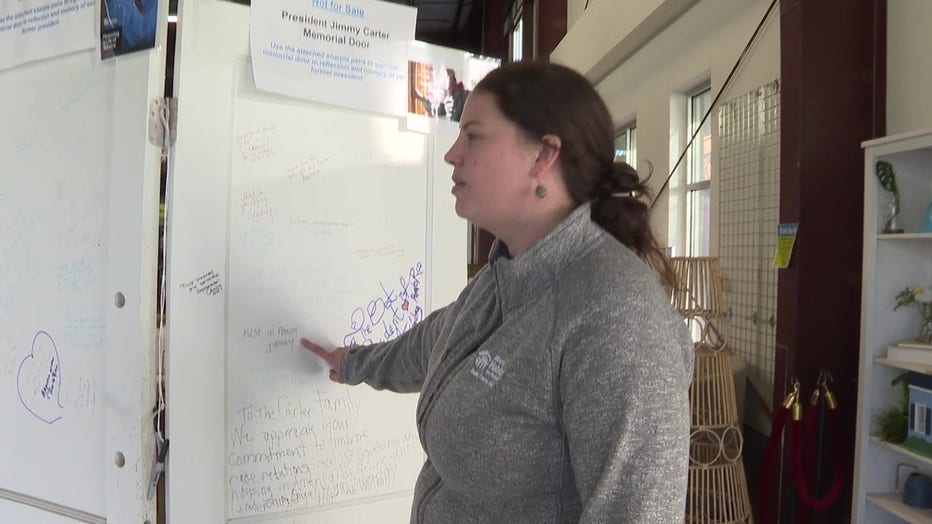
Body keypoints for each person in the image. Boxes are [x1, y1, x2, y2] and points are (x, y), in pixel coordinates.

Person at [302, 60, 693, 522]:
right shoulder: (504, 278)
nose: (452, 154)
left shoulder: (617, 318)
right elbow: (435, 344)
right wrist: (350, 363)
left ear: (543, 155)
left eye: (474, 135)